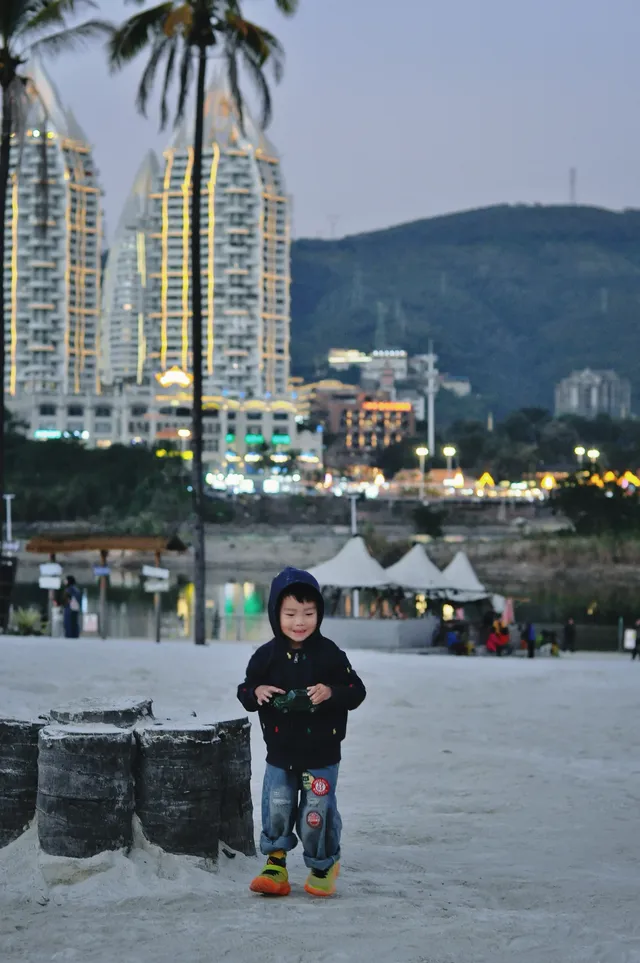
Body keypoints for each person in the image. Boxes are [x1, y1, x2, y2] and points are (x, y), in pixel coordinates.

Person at [237, 567, 366, 899]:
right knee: (277, 805)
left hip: (322, 754)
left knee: (315, 812)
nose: (300, 621)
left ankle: (322, 864)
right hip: (281, 752)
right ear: (275, 614)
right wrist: (257, 692)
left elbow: (357, 690)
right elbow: (246, 690)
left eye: (309, 613)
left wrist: (332, 691)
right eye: (291, 613)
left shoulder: (330, 654)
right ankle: (275, 864)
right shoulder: (266, 656)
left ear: (319, 614)